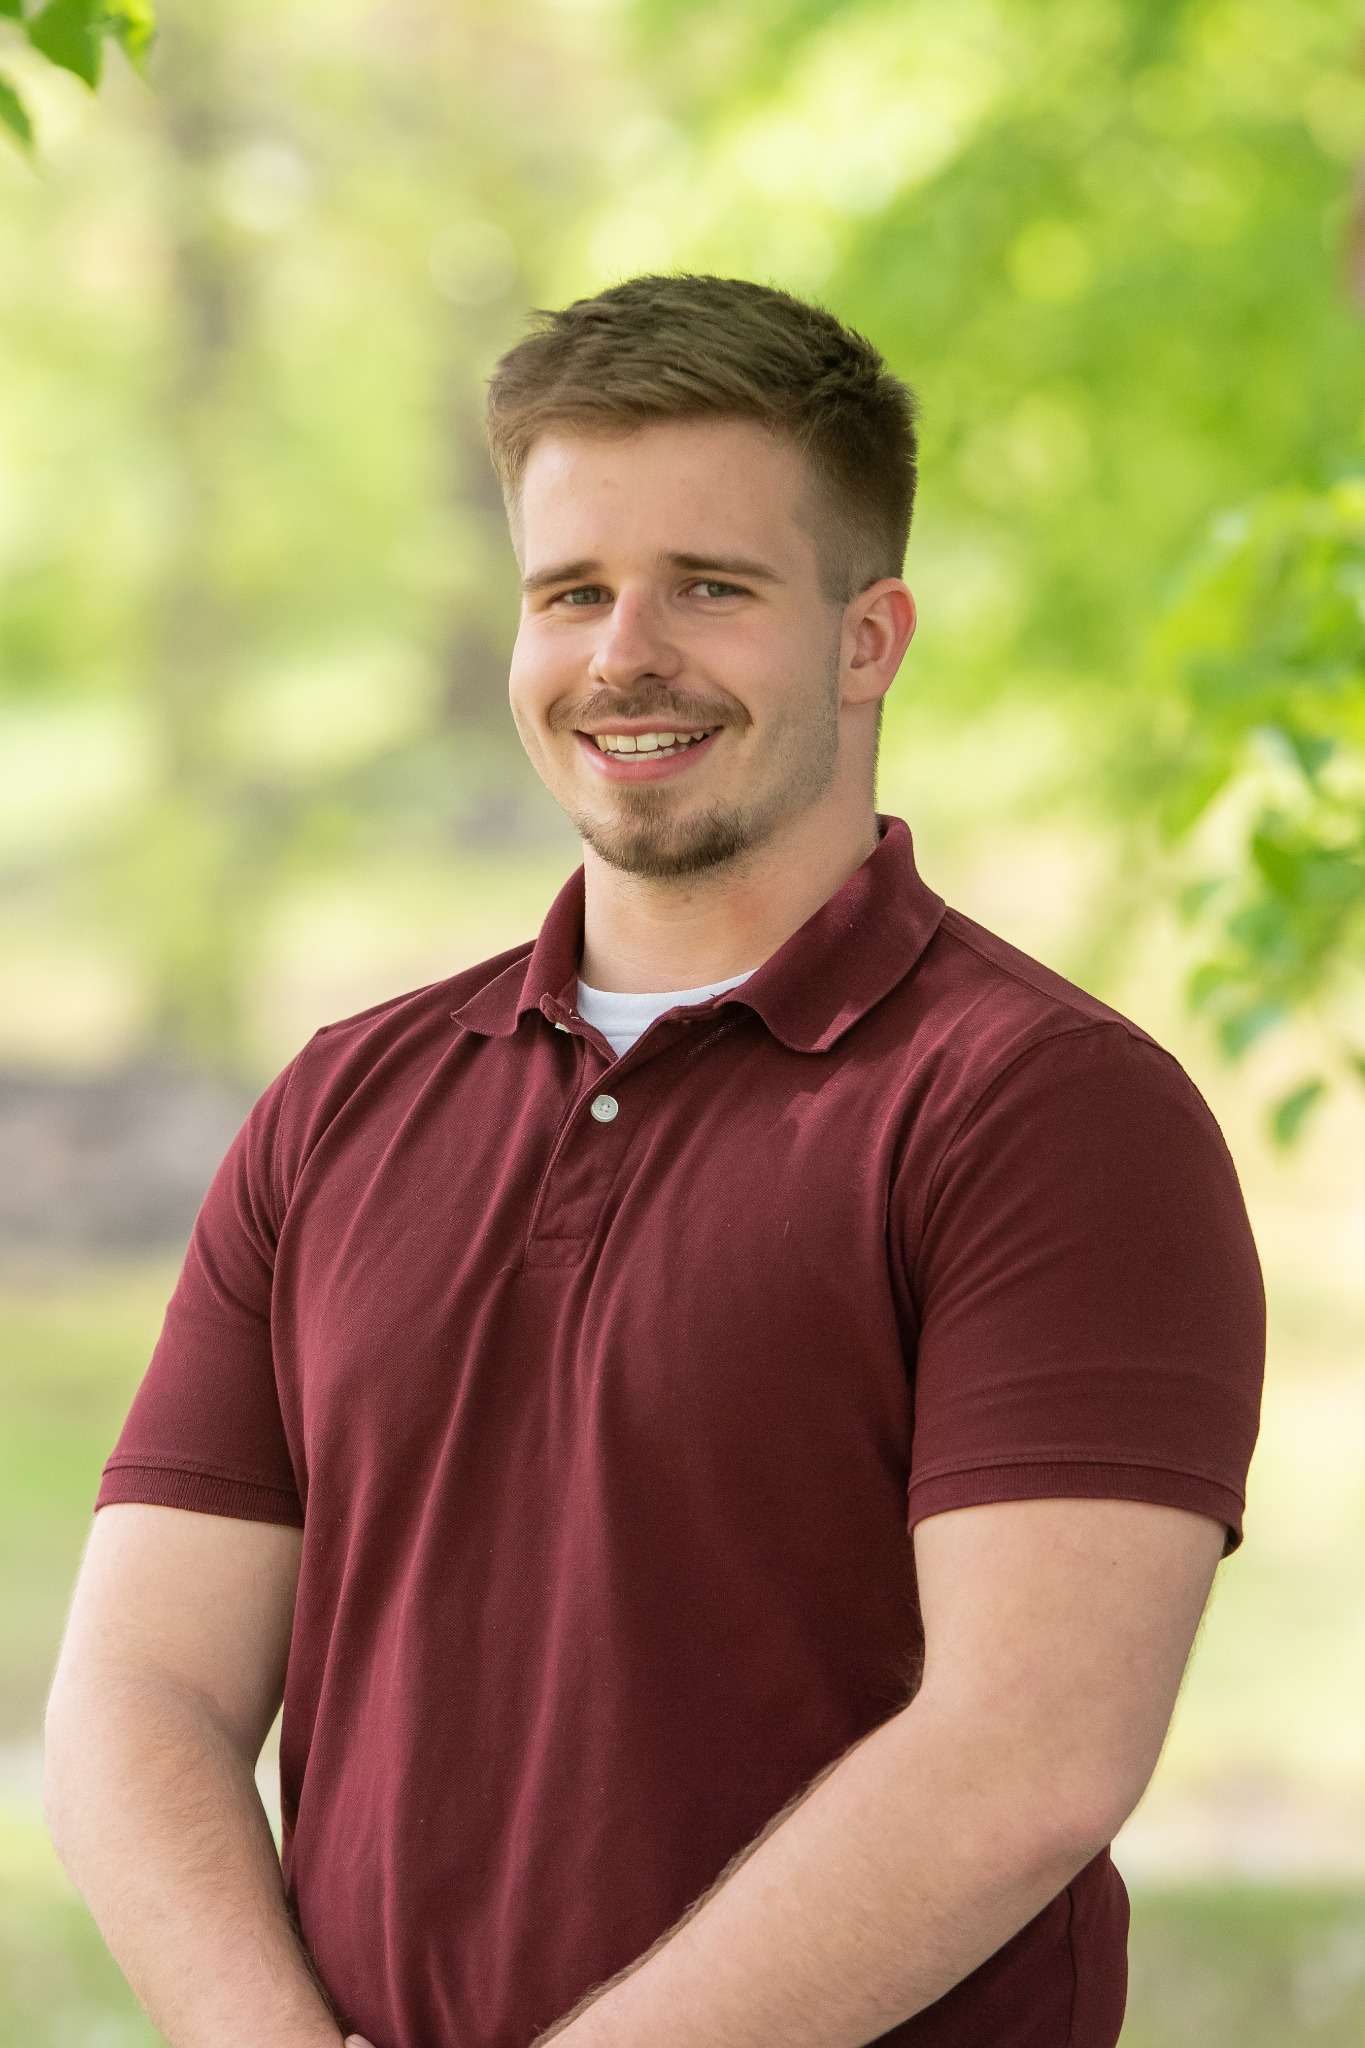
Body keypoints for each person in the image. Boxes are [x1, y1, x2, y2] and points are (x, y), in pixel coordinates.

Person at [44, 273, 1265, 2048]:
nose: (625, 653)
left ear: (868, 638)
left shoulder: (1048, 1112)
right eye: (573, 591)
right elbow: (135, 1697)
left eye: (711, 586)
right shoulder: (340, 1104)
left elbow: (1029, 1759)